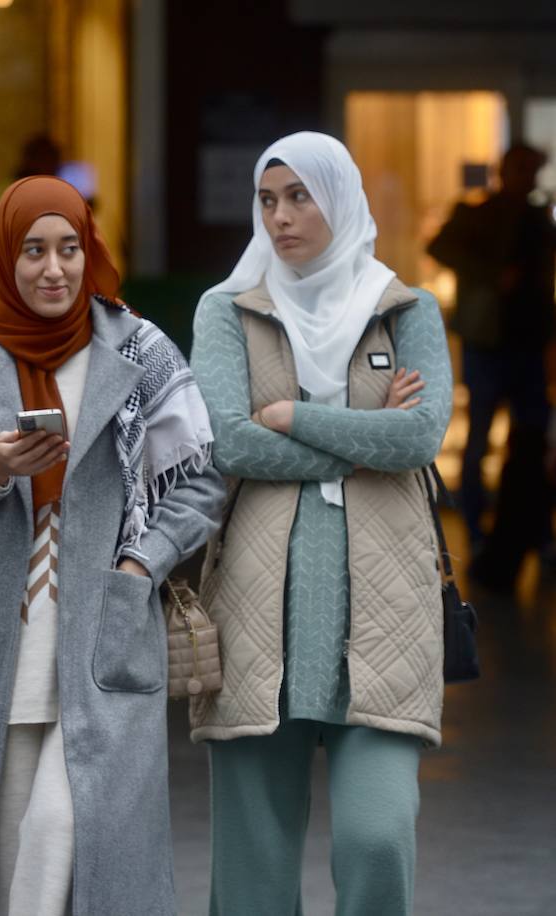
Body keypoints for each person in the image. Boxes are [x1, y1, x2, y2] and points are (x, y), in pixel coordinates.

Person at [0, 176, 223, 915]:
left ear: (91, 251)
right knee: (8, 861)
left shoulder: (139, 350)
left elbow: (201, 478)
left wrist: (142, 561)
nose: (54, 269)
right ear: (6, 258)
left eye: (70, 249)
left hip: (102, 633)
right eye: (34, 251)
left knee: (58, 840)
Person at [189, 132, 452, 915]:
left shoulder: (406, 310)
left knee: (377, 836)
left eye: (300, 196)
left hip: (386, 618)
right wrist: (360, 442)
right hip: (254, 616)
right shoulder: (226, 309)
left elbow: (420, 437)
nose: (281, 217)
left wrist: (293, 415)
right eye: (268, 200)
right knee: (253, 875)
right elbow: (228, 441)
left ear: (339, 199)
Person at [427, 143, 556, 585]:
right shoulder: (477, 213)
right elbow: (439, 245)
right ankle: (480, 530)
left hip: (529, 345)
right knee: (480, 438)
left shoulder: (539, 219)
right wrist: (489, 273)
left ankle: (534, 532)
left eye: (531, 171)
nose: (527, 179)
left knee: (531, 443)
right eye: (520, 170)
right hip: (489, 342)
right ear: (505, 172)